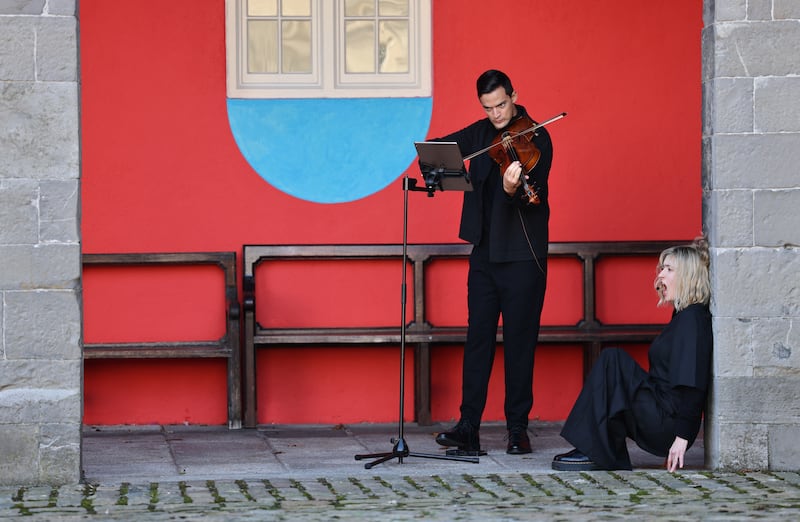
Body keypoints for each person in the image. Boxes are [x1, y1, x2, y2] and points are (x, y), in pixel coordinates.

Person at [429, 69, 554, 455]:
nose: (497, 114)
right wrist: (435, 157)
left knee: (520, 345)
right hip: (484, 254)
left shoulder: (538, 138)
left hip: (522, 256)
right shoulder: (482, 133)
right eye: (489, 107)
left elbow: (533, 195)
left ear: (514, 95)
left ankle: (518, 429)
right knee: (477, 341)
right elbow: (440, 148)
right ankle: (469, 426)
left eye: (501, 104)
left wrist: (512, 189)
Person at [552, 237, 713, 471]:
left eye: (669, 269)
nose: (660, 275)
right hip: (660, 412)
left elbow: (694, 384)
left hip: (667, 424)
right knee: (613, 361)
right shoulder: (683, 316)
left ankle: (595, 450)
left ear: (688, 276)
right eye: (662, 268)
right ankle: (597, 448)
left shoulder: (692, 320)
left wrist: (682, 437)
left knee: (613, 360)